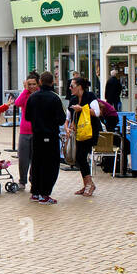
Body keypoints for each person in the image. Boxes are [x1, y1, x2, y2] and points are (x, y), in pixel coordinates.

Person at [24, 72, 66, 204]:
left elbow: (27, 117)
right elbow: (61, 119)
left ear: (40, 82)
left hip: (37, 135)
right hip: (50, 136)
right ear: (52, 82)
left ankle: (35, 192)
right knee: (50, 165)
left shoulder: (33, 97)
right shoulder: (55, 98)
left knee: (36, 163)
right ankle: (45, 193)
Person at [66, 76, 98, 197]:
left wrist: (83, 109)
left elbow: (97, 112)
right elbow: (68, 116)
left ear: (79, 86)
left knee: (81, 156)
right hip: (78, 133)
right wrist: (66, 126)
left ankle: (90, 184)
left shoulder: (90, 96)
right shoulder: (73, 99)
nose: (70, 88)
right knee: (79, 158)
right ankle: (87, 184)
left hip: (89, 132)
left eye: (72, 86)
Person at [14, 72, 39, 192]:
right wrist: (25, 91)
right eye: (29, 84)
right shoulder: (25, 94)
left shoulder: (40, 94)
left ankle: (34, 181)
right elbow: (17, 103)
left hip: (37, 131)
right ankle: (22, 181)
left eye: (34, 84)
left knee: (35, 159)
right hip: (24, 131)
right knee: (23, 158)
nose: (32, 86)